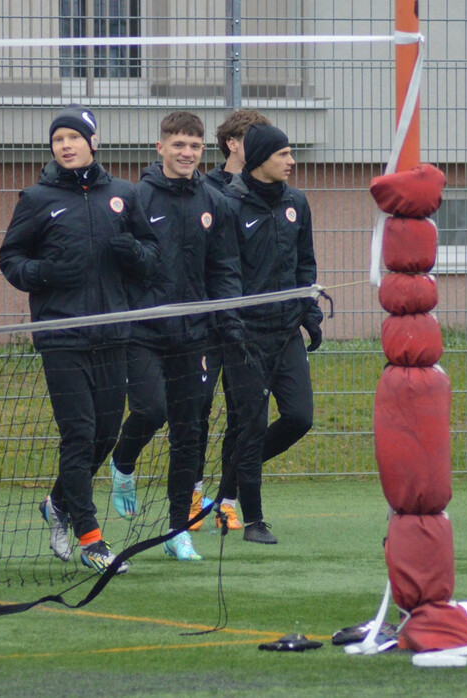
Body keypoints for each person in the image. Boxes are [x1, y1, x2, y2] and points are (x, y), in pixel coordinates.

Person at [0, 104, 159, 574]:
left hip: (113, 335)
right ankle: (91, 537)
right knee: (80, 434)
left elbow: (151, 256)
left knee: (106, 434)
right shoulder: (36, 198)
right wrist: (43, 273)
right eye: (57, 139)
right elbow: (11, 259)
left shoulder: (124, 195)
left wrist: (133, 251)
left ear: (93, 142)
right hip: (61, 337)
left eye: (73, 137)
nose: (65, 145)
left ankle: (56, 502)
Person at [107, 111, 243, 562]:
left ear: (203, 150)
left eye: (194, 146)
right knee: (150, 410)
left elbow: (224, 269)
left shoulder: (215, 202)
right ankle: (122, 463)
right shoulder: (136, 197)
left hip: (196, 337)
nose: (187, 153)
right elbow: (121, 262)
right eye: (178, 144)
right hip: (143, 332)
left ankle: (176, 530)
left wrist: (228, 320)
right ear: (160, 147)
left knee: (190, 433)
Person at [216, 122, 322, 544]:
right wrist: (231, 326)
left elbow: (305, 264)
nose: (292, 161)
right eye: (283, 154)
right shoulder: (228, 203)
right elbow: (222, 272)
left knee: (299, 417)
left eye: (292, 153)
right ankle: (254, 520)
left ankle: (232, 478)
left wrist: (309, 315)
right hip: (243, 336)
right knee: (251, 425)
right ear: (260, 158)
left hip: (286, 332)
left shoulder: (297, 202)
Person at [194, 108, 272, 531]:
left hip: (250, 326)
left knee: (245, 415)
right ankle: (191, 493)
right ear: (232, 144)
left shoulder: (270, 192)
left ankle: (227, 499)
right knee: (198, 409)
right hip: (209, 322)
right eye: (254, 138)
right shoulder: (206, 189)